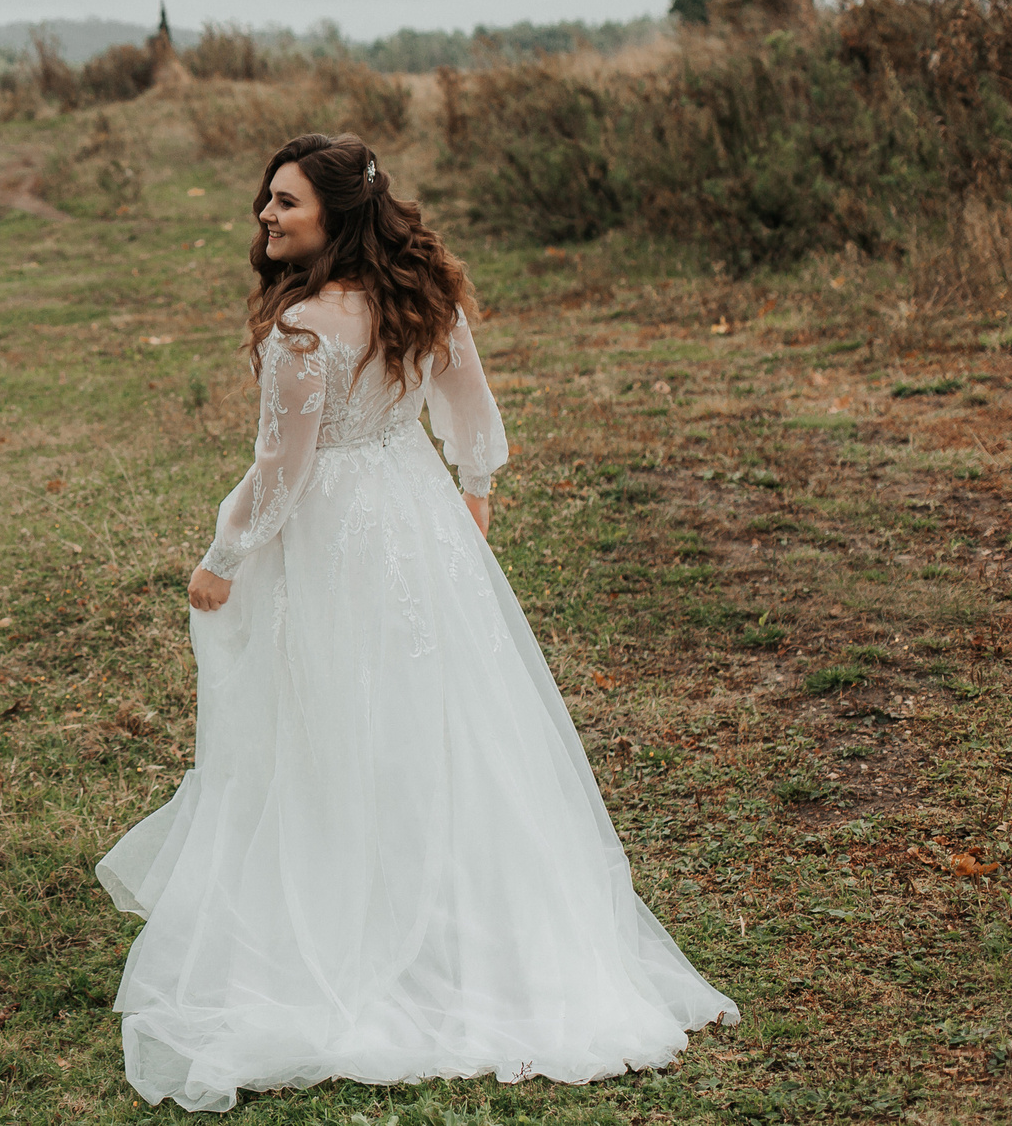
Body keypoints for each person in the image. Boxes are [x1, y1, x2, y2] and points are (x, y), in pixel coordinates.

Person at [97, 133, 736, 1113]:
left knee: (335, 713)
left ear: (335, 217)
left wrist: (221, 558)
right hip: (418, 518)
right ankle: (455, 912)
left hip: (337, 537)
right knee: (442, 716)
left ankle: (359, 923)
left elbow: (282, 474)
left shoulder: (305, 330)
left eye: (286, 204)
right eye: (267, 201)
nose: (266, 217)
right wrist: (467, 500)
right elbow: (470, 419)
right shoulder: (420, 298)